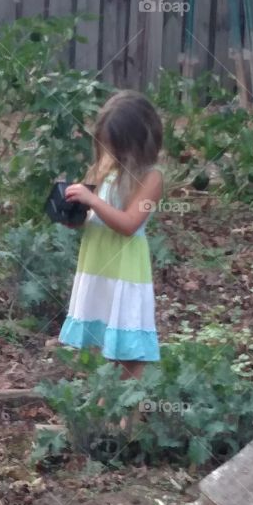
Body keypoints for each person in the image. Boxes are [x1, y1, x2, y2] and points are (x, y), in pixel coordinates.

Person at [59, 90, 164, 378]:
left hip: (125, 268)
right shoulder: (104, 167)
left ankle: (127, 402)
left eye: (117, 145)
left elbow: (129, 224)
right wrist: (75, 214)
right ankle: (106, 397)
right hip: (97, 264)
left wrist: (93, 200)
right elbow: (95, 215)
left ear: (138, 142)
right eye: (106, 144)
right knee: (101, 341)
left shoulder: (151, 178)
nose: (111, 151)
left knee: (129, 350)